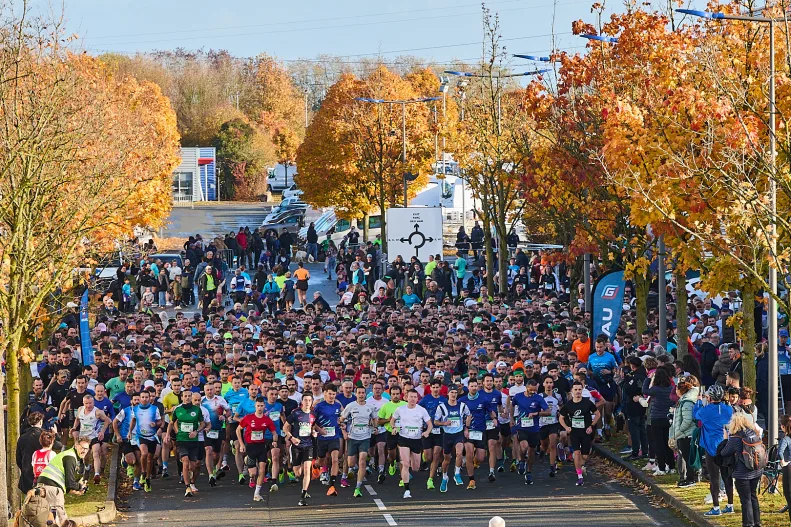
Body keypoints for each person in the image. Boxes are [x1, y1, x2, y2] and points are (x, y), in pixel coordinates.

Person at [694, 385, 735, 516]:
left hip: (711, 446)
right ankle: (730, 505)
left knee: (714, 477)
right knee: (727, 476)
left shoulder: (705, 411)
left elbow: (695, 414)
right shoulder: (728, 409)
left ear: (710, 397)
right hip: (725, 445)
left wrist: (699, 401)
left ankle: (716, 507)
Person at [718, 412, 763, 526]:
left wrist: (725, 439)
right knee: (753, 496)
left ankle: (748, 524)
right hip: (756, 470)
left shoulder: (735, 438)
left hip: (742, 473)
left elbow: (724, 452)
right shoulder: (754, 433)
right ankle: (757, 522)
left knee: (745, 499)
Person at [36, 436, 90, 527]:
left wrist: (76, 491)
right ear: (76, 445)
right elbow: (70, 483)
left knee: (47, 521)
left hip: (44, 486)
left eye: (86, 449)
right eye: (82, 447)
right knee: (62, 522)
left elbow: (67, 486)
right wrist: (80, 487)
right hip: (52, 489)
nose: (84, 451)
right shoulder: (70, 457)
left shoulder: (68, 455)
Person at [391, 389, 432, 499]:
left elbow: (430, 424)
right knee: (405, 463)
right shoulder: (400, 409)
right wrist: (394, 428)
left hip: (417, 439)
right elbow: (392, 420)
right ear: (406, 397)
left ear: (417, 399)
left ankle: (420, 458)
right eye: (411, 397)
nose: (413, 399)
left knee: (415, 468)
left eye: (415, 397)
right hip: (404, 438)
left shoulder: (421, 410)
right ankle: (407, 489)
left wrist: (427, 432)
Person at [559, 381, 600, 486]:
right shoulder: (568, 404)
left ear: (582, 390)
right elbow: (561, 417)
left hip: (586, 431)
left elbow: (597, 414)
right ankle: (580, 476)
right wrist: (566, 427)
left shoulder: (587, 403)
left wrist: (591, 425)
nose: (577, 392)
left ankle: (580, 464)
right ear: (572, 391)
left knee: (585, 456)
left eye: (579, 389)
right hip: (574, 432)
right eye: (575, 390)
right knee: (577, 453)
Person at [236, 396, 277, 501]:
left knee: (262, 469)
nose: (260, 408)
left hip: (261, 446)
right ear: (255, 406)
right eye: (258, 406)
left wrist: (275, 441)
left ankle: (257, 493)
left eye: (262, 406)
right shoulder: (248, 418)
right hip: (250, 446)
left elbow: (274, 432)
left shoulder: (267, 420)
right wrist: (241, 444)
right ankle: (247, 460)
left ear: (264, 407)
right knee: (253, 473)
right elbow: (238, 430)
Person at [339, 385, 377, 497]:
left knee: (362, 461)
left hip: (365, 437)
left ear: (365, 394)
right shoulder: (350, 406)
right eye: (359, 393)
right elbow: (341, 419)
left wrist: (374, 428)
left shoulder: (370, 407)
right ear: (356, 394)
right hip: (353, 437)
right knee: (350, 462)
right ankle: (350, 469)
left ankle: (358, 487)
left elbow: (375, 418)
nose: (361, 395)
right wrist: (344, 431)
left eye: (363, 393)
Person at [284, 393, 316, 507]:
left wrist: (314, 433)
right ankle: (297, 467)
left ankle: (303, 496)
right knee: (298, 473)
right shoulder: (296, 413)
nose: (307, 402)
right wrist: (292, 438)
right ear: (302, 401)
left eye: (309, 400)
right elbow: (285, 427)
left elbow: (312, 427)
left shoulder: (313, 414)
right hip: (297, 446)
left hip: (308, 445)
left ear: (312, 402)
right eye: (305, 400)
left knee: (307, 470)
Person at [17, 412, 46, 494]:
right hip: (41, 472)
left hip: (26, 471)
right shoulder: (43, 435)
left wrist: (24, 467)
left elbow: (18, 458)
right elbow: (58, 445)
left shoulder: (22, 437)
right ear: (40, 422)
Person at [778, 415, 791, 518]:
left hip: (788, 467)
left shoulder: (786, 439)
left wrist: (783, 462)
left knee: (788, 492)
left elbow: (780, 452)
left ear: (782, 426)